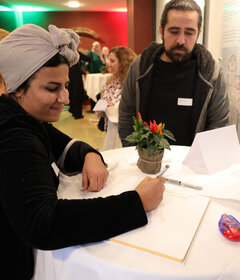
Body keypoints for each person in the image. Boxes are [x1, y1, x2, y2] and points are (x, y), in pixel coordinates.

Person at [0, 24, 165, 280]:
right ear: (17, 88)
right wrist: (136, 202)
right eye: (52, 88)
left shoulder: (25, 117)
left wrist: (89, 154)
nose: (65, 98)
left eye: (65, 86)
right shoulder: (14, 134)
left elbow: (63, 145)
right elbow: (45, 223)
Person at [119, 0, 229, 147]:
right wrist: (137, 156)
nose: (181, 40)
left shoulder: (211, 74)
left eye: (189, 32)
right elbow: (127, 117)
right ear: (161, 30)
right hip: (148, 162)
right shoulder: (140, 67)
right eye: (174, 31)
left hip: (193, 165)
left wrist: (199, 164)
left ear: (199, 34)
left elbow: (219, 126)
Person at [96, 46, 137, 151]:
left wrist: (112, 106)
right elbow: (100, 106)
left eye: (112, 60)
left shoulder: (133, 82)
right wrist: (104, 106)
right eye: (109, 60)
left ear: (123, 62)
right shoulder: (112, 81)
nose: (108, 63)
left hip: (127, 134)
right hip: (110, 130)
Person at [68, 50, 91, 119]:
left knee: (72, 92)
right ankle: (77, 114)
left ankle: (72, 110)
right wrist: (90, 53)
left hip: (68, 74)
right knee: (77, 93)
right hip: (76, 75)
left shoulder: (65, 51)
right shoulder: (75, 52)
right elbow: (88, 58)